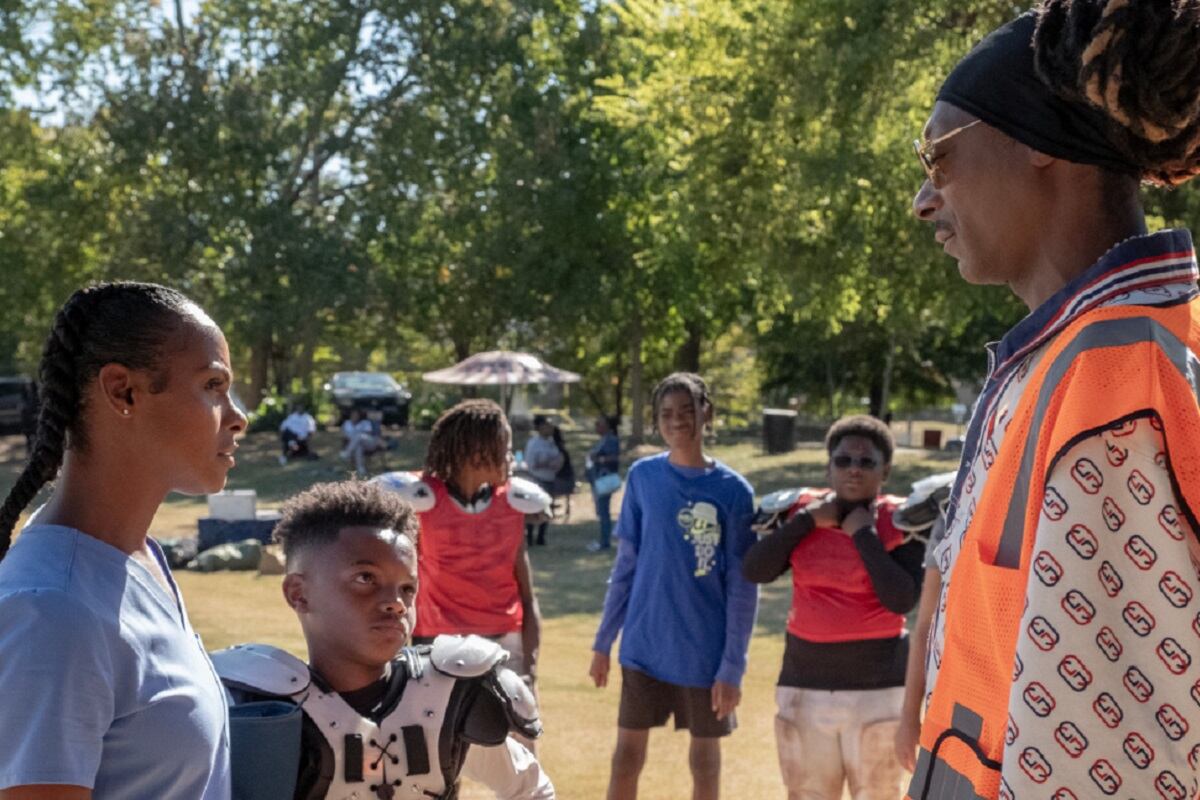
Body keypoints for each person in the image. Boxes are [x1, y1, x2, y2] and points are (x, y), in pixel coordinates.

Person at [909, 3, 1200, 797]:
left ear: (1036, 147)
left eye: (936, 157)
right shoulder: (1086, 355)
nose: (922, 201)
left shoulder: (1114, 388)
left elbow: (1108, 767)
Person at [0, 281, 246, 798]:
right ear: (123, 391)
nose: (239, 416)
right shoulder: (53, 612)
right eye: (213, 385)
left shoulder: (137, 558)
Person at [212, 480, 555, 800]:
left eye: (408, 588)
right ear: (299, 594)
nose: (397, 602)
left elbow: (531, 788)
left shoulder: (449, 697)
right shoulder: (257, 712)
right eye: (366, 578)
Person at [590, 372, 758, 800]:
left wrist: (732, 667)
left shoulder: (734, 491)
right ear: (656, 421)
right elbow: (626, 564)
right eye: (667, 413)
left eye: (687, 410)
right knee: (625, 758)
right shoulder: (644, 477)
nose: (678, 420)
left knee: (704, 764)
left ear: (707, 413)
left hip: (704, 650)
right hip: (644, 644)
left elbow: (742, 586)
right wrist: (604, 640)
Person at [742, 415, 924, 800]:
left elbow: (902, 598)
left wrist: (863, 534)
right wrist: (806, 523)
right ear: (828, 466)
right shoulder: (798, 513)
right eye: (843, 461)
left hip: (879, 687)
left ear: (885, 470)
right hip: (804, 680)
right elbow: (755, 570)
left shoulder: (903, 519)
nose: (853, 470)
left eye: (866, 462)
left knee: (877, 795)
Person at [375, 400, 549, 728]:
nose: (512, 457)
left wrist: (531, 665)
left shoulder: (512, 503)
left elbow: (527, 593)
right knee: (437, 762)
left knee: (523, 762)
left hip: (504, 642)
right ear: (477, 451)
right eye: (505, 447)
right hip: (438, 646)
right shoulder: (420, 499)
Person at [523, 416, 564, 546]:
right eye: (547, 425)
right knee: (533, 508)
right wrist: (545, 463)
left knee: (547, 508)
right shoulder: (534, 443)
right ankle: (529, 536)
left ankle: (541, 536)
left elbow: (559, 458)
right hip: (537, 479)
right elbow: (530, 463)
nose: (550, 428)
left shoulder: (552, 443)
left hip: (550, 479)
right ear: (540, 427)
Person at [586, 415, 621, 552]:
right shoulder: (603, 440)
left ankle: (605, 541)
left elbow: (614, 458)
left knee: (604, 511)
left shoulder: (611, 440)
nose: (597, 427)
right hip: (598, 479)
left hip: (604, 480)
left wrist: (598, 459)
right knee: (601, 511)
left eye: (599, 424)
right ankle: (604, 540)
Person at [340, 407, 383, 477]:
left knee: (359, 436)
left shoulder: (365, 422)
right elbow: (343, 435)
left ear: (359, 416)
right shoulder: (346, 423)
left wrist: (354, 435)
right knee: (358, 447)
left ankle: (347, 453)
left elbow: (368, 434)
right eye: (353, 415)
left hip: (370, 443)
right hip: (355, 444)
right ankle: (360, 468)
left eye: (356, 415)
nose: (355, 416)